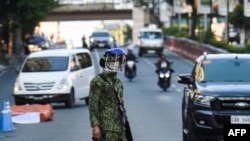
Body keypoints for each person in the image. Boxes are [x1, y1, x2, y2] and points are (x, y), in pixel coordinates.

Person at [89, 48, 131, 141]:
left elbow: (120, 105)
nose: (118, 64)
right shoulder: (98, 81)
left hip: (120, 127)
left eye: (120, 61)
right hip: (106, 128)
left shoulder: (118, 82)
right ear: (108, 61)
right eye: (116, 61)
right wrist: (95, 125)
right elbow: (93, 105)